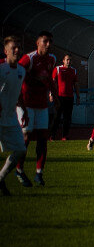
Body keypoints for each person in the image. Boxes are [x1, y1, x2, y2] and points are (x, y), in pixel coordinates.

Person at [12, 31, 57, 187]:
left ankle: (39, 173)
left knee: (43, 140)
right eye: (45, 41)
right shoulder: (29, 59)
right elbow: (17, 77)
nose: (48, 44)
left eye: (50, 41)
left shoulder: (52, 59)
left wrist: (54, 96)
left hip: (42, 105)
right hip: (26, 104)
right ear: (37, 42)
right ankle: (19, 169)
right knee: (26, 138)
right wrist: (18, 103)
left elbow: (50, 79)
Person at [0, 36, 27, 196]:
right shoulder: (1, 69)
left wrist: (25, 110)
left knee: (20, 150)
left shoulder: (21, 70)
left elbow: (18, 94)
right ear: (5, 51)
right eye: (13, 48)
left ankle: (1, 177)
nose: (17, 50)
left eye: (18, 47)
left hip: (10, 118)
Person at [51, 54, 77, 141]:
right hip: (59, 97)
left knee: (67, 118)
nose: (68, 61)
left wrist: (78, 95)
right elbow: (53, 82)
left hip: (70, 97)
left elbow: (76, 84)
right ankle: (52, 136)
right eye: (67, 60)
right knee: (56, 117)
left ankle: (64, 136)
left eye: (70, 60)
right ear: (63, 60)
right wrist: (51, 94)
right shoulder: (58, 69)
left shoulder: (74, 71)